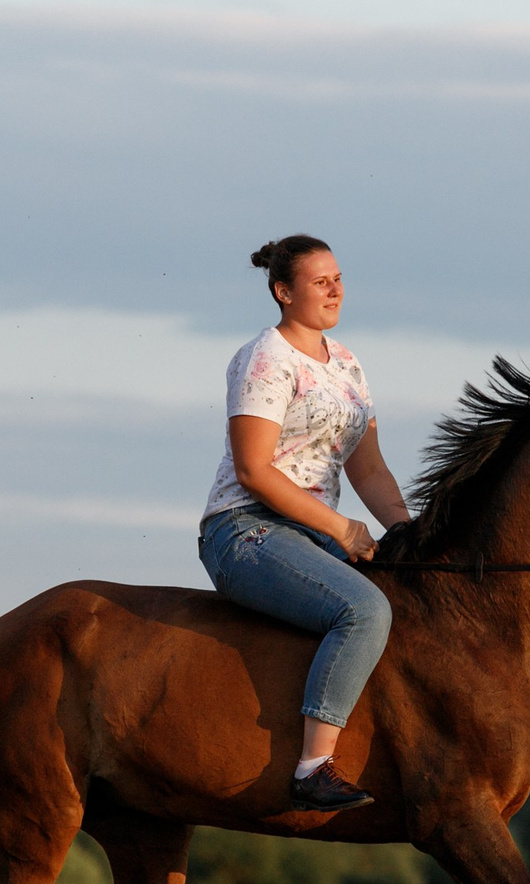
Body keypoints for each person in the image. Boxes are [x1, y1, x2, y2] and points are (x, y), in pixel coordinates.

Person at [197, 235, 412, 812]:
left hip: (314, 534)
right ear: (283, 292)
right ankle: (313, 768)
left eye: (338, 278)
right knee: (364, 610)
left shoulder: (346, 363)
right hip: (245, 529)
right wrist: (342, 529)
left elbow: (369, 468)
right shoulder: (265, 358)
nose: (335, 290)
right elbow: (253, 471)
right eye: (321, 282)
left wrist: (406, 533)